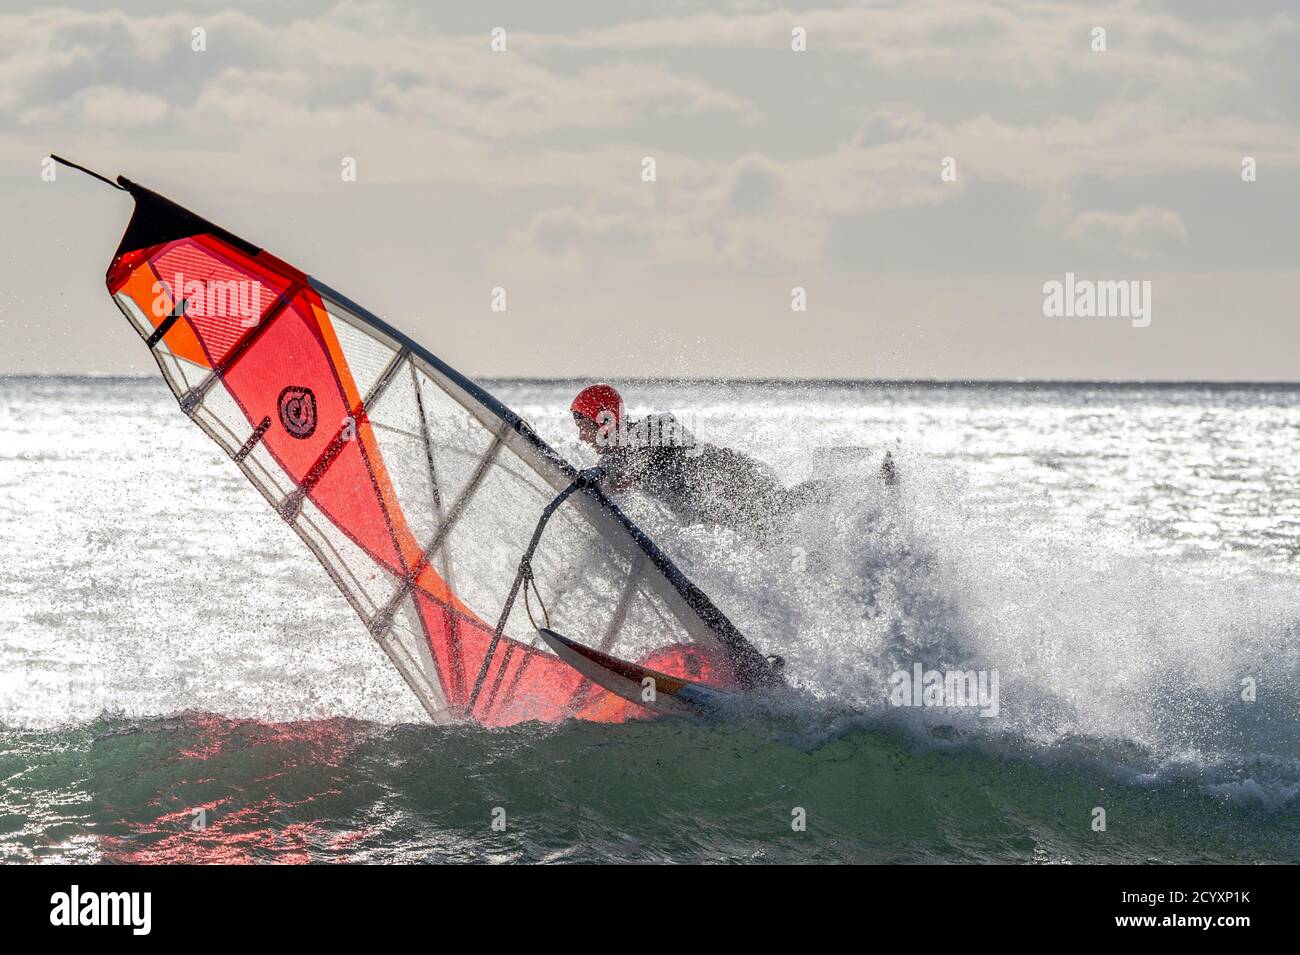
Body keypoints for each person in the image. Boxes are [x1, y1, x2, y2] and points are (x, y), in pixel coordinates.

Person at [569, 383, 896, 532]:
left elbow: (651, 456)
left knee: (781, 509)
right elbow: (610, 482)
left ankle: (871, 481)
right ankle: (839, 484)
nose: (582, 436)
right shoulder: (611, 462)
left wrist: (620, 480)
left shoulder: (652, 428)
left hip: (734, 477)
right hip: (717, 508)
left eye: (584, 426)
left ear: (605, 419)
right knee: (773, 532)